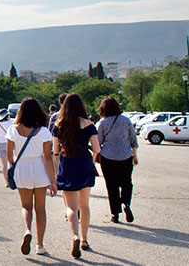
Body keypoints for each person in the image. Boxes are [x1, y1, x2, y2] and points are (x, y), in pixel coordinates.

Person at [51, 93, 100, 258]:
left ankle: (75, 235)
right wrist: (92, 161)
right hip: (84, 164)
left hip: (67, 164)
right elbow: (97, 148)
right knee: (84, 205)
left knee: (71, 207)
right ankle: (85, 239)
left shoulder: (59, 125)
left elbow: (56, 150)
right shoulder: (88, 124)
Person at [6, 98, 57, 256]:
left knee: (26, 207)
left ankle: (27, 230)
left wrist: (14, 166)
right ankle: (40, 245)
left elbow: (9, 156)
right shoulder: (43, 131)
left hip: (22, 168)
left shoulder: (13, 130)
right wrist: (53, 181)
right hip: (40, 168)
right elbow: (48, 157)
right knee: (40, 209)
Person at [96, 96, 139, 224]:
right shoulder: (126, 121)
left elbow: (98, 142)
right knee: (127, 182)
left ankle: (115, 213)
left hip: (108, 158)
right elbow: (133, 140)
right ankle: (126, 202)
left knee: (111, 185)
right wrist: (135, 155)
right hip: (125, 157)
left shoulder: (103, 123)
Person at [0, 109, 13, 187]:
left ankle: (7, 182)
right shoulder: (11, 123)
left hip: (0, 144)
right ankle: (12, 180)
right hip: (9, 143)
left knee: (4, 165)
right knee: (11, 163)